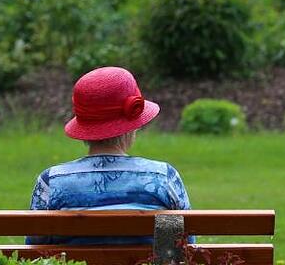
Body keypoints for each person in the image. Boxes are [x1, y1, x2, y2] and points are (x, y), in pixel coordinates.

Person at [27, 66, 192, 245]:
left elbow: (35, 247)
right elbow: (187, 242)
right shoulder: (163, 177)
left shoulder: (51, 181)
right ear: (133, 126)